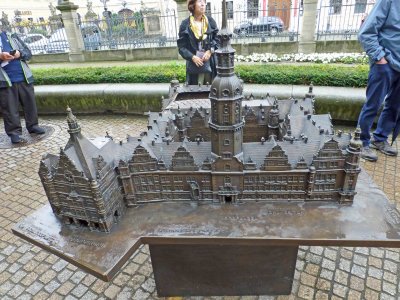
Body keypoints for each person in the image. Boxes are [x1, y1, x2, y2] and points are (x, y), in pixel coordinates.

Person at [357, 0, 400, 162]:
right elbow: (366, 32)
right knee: (373, 104)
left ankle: (380, 138)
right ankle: (361, 142)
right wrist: (379, 58)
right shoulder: (389, 2)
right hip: (385, 63)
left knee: (395, 106)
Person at [0, 21, 45, 144]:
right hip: (5, 80)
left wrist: (20, 54)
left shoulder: (12, 36)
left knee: (30, 104)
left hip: (24, 76)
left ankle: (33, 126)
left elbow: (28, 53)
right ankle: (14, 133)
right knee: (10, 108)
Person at [177, 0, 219, 85]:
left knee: (212, 88)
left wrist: (210, 51)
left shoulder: (210, 22)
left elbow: (218, 40)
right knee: (195, 89)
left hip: (209, 61)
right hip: (194, 63)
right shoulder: (185, 24)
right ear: (193, 5)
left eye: (204, 1)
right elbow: (181, 47)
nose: (203, 4)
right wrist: (192, 57)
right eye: (200, 1)